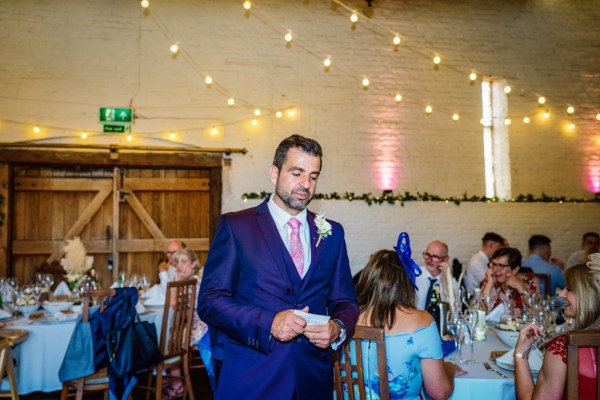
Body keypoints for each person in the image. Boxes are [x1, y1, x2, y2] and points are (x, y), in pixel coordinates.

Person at [197, 134, 359, 400]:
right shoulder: (237, 227)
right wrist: (268, 323)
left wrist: (338, 328)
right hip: (253, 377)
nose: (306, 184)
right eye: (297, 173)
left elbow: (346, 301)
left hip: (313, 380)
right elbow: (210, 301)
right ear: (274, 173)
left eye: (313, 176)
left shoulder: (332, 233)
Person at [351, 233, 465, 400]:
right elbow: (439, 393)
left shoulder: (346, 317)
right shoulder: (421, 321)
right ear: (406, 281)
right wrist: (449, 368)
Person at [514, 254, 600, 400]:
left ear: (588, 297)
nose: (561, 293)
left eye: (569, 289)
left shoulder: (564, 347)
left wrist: (520, 355)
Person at [163, 248, 208, 399]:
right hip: (192, 324)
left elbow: (172, 305)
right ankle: (169, 380)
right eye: (177, 263)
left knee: (167, 342)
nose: (180, 266)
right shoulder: (192, 280)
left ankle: (175, 384)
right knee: (167, 336)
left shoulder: (193, 282)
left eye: (184, 262)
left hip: (199, 328)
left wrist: (176, 280)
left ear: (194, 263)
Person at [415, 240, 459, 311]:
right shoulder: (415, 275)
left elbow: (455, 309)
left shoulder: (450, 281)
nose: (429, 260)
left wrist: (448, 279)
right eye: (427, 255)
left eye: (435, 256)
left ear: (445, 259)